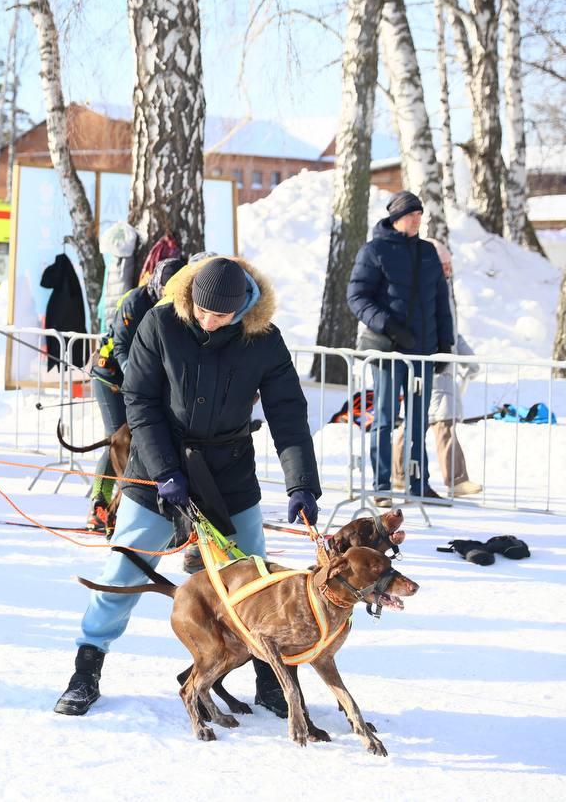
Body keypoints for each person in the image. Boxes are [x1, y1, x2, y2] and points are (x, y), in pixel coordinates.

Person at [54, 257, 321, 719]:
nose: (208, 320)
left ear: (242, 308)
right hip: (160, 470)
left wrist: (301, 483)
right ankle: (86, 669)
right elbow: (139, 401)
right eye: (202, 310)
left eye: (220, 315)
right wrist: (164, 470)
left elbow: (289, 414)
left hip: (229, 475)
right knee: (124, 571)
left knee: (256, 581)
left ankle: (270, 680)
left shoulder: (263, 339)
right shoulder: (160, 323)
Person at [346, 190, 453, 506]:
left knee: (419, 420)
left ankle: (420, 483)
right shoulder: (374, 251)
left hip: (423, 351)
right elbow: (357, 297)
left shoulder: (428, 252)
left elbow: (441, 302)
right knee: (385, 417)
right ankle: (381, 486)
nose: (417, 220)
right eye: (411, 215)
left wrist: (444, 344)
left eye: (419, 215)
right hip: (388, 350)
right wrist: (389, 326)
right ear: (395, 218)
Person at [85, 256, 185, 531]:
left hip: (141, 380)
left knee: (140, 438)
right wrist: (139, 382)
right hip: (110, 373)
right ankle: (99, 504)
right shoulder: (135, 302)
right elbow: (121, 347)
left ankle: (130, 505)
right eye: (167, 290)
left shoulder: (176, 306)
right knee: (117, 437)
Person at [392, 239, 482, 498]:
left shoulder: (444, 290)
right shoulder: (424, 288)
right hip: (431, 364)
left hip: (442, 363)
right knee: (439, 421)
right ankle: (455, 479)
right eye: (444, 264)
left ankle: (401, 473)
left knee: (429, 421)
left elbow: (452, 331)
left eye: (449, 264)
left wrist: (468, 358)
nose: (448, 269)